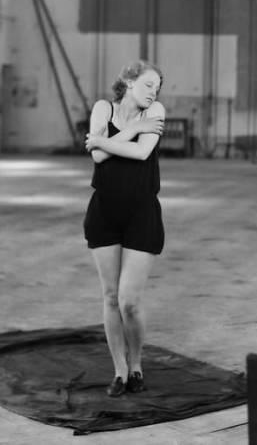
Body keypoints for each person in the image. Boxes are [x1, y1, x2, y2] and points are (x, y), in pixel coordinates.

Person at [83, 60, 166, 397]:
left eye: (157, 88)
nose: (153, 93)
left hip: (141, 213)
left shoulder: (156, 110)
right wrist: (132, 129)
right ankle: (120, 370)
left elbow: (142, 152)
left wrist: (103, 141)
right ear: (129, 81)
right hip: (104, 212)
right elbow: (98, 160)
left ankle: (137, 364)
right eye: (148, 85)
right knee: (111, 296)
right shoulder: (103, 107)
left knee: (130, 302)